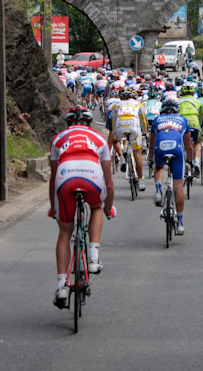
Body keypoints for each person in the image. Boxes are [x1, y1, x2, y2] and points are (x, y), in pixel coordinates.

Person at [49, 107, 116, 309]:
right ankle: (93, 258)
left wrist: (54, 208)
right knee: (95, 208)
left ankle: (62, 285)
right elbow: (109, 182)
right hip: (92, 174)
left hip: (65, 176)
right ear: (89, 123)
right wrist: (107, 208)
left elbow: (52, 181)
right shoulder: (98, 138)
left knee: (64, 233)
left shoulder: (58, 138)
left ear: (68, 124)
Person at [149, 99, 194, 235]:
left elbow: (151, 144)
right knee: (178, 186)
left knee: (159, 167)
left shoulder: (157, 120)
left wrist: (151, 159)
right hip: (177, 150)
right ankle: (180, 223)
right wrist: (191, 162)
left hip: (160, 148)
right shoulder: (182, 120)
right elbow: (188, 146)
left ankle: (158, 191)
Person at [110, 87, 148, 191]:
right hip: (134, 127)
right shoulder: (138, 104)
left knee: (114, 140)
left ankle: (121, 157)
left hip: (120, 127)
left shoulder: (115, 105)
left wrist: (114, 133)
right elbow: (143, 120)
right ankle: (141, 180)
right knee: (137, 153)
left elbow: (113, 121)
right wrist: (145, 132)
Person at [178, 83, 203, 176]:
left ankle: (184, 162)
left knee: (183, 143)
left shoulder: (178, 101)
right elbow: (201, 118)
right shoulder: (198, 102)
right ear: (193, 92)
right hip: (194, 123)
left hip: (182, 123)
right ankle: (196, 161)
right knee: (197, 141)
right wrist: (201, 130)